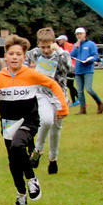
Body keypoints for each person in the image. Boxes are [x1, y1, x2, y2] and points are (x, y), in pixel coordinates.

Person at [0, 36, 69, 205]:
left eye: (19, 54)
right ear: (5, 56)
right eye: (11, 53)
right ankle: (21, 192)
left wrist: (63, 108)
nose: (14, 57)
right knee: (13, 162)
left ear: (24, 57)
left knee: (18, 145)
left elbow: (53, 85)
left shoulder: (31, 74)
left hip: (28, 120)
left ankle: (31, 178)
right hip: (8, 123)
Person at [25, 28, 72, 174]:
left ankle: (53, 159)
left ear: (54, 43)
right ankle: (38, 150)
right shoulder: (35, 53)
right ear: (38, 44)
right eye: (42, 46)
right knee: (46, 121)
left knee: (55, 130)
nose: (45, 50)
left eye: (48, 46)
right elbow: (24, 64)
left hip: (59, 95)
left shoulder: (61, 54)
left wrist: (59, 51)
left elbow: (70, 69)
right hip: (42, 93)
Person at [70, 26, 103, 114]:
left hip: (88, 69)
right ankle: (82, 108)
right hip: (78, 70)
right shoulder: (76, 45)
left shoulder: (91, 44)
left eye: (80, 34)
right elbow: (71, 56)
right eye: (77, 34)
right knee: (80, 91)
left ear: (84, 34)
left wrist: (89, 60)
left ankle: (99, 102)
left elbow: (96, 56)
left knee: (88, 89)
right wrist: (76, 47)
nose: (79, 36)